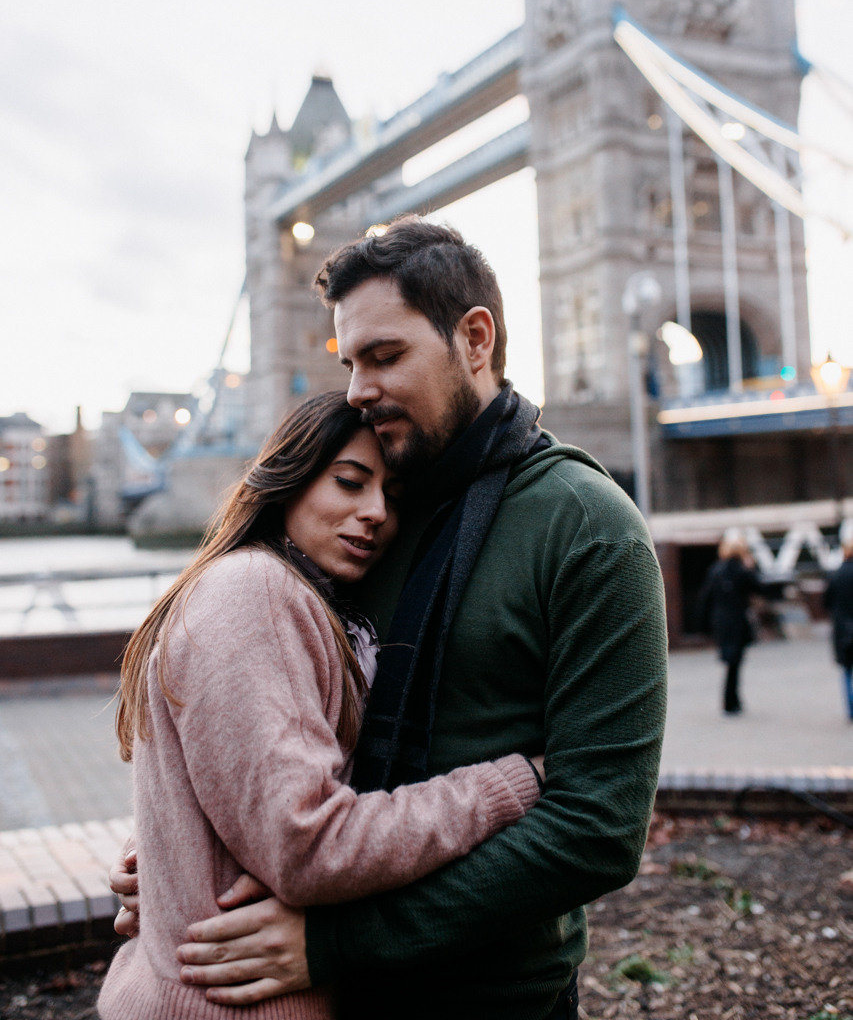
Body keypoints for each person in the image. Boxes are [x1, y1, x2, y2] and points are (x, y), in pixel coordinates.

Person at [112, 216, 668, 1020]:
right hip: (326, 991)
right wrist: (169, 858)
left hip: (492, 995)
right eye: (349, 364)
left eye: (384, 356)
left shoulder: (587, 527)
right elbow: (273, 727)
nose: (358, 390)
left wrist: (339, 939)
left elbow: (597, 828)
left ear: (474, 338)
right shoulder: (367, 520)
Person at [99, 390, 542, 1020]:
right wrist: (516, 780)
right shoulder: (255, 593)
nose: (375, 514)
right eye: (350, 482)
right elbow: (309, 847)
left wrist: (172, 854)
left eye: (392, 497)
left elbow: (238, 791)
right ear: (288, 478)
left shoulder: (294, 597)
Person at [698, 529, 763, 715]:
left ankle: (732, 700)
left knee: (731, 661)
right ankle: (731, 701)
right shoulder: (742, 570)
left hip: (721, 620)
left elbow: (706, 598)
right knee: (735, 662)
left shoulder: (716, 570)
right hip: (737, 621)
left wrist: (702, 625)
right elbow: (759, 587)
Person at [824, 518, 853, 721]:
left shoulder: (835, 575)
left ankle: (851, 710)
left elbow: (826, 602)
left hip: (843, 629)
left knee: (846, 672)